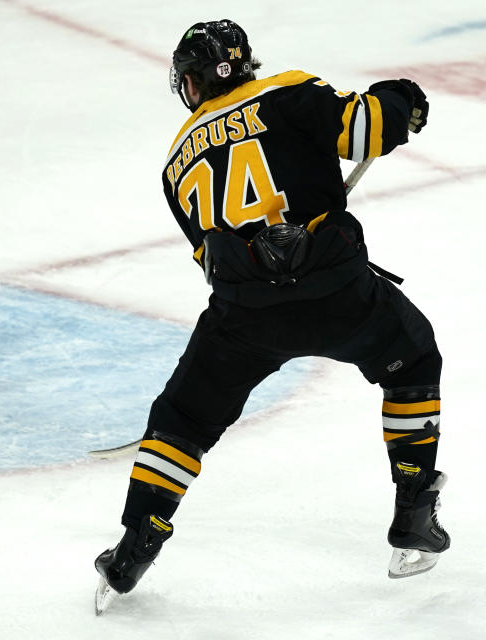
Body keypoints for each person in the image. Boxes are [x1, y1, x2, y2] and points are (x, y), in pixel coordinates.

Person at [94, 19, 448, 609]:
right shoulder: (289, 92)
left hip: (246, 316)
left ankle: (134, 548)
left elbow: (212, 258)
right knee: (412, 356)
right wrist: (401, 97)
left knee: (183, 418)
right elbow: (369, 129)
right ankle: (413, 510)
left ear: (193, 81)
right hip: (338, 295)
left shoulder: (176, 165)